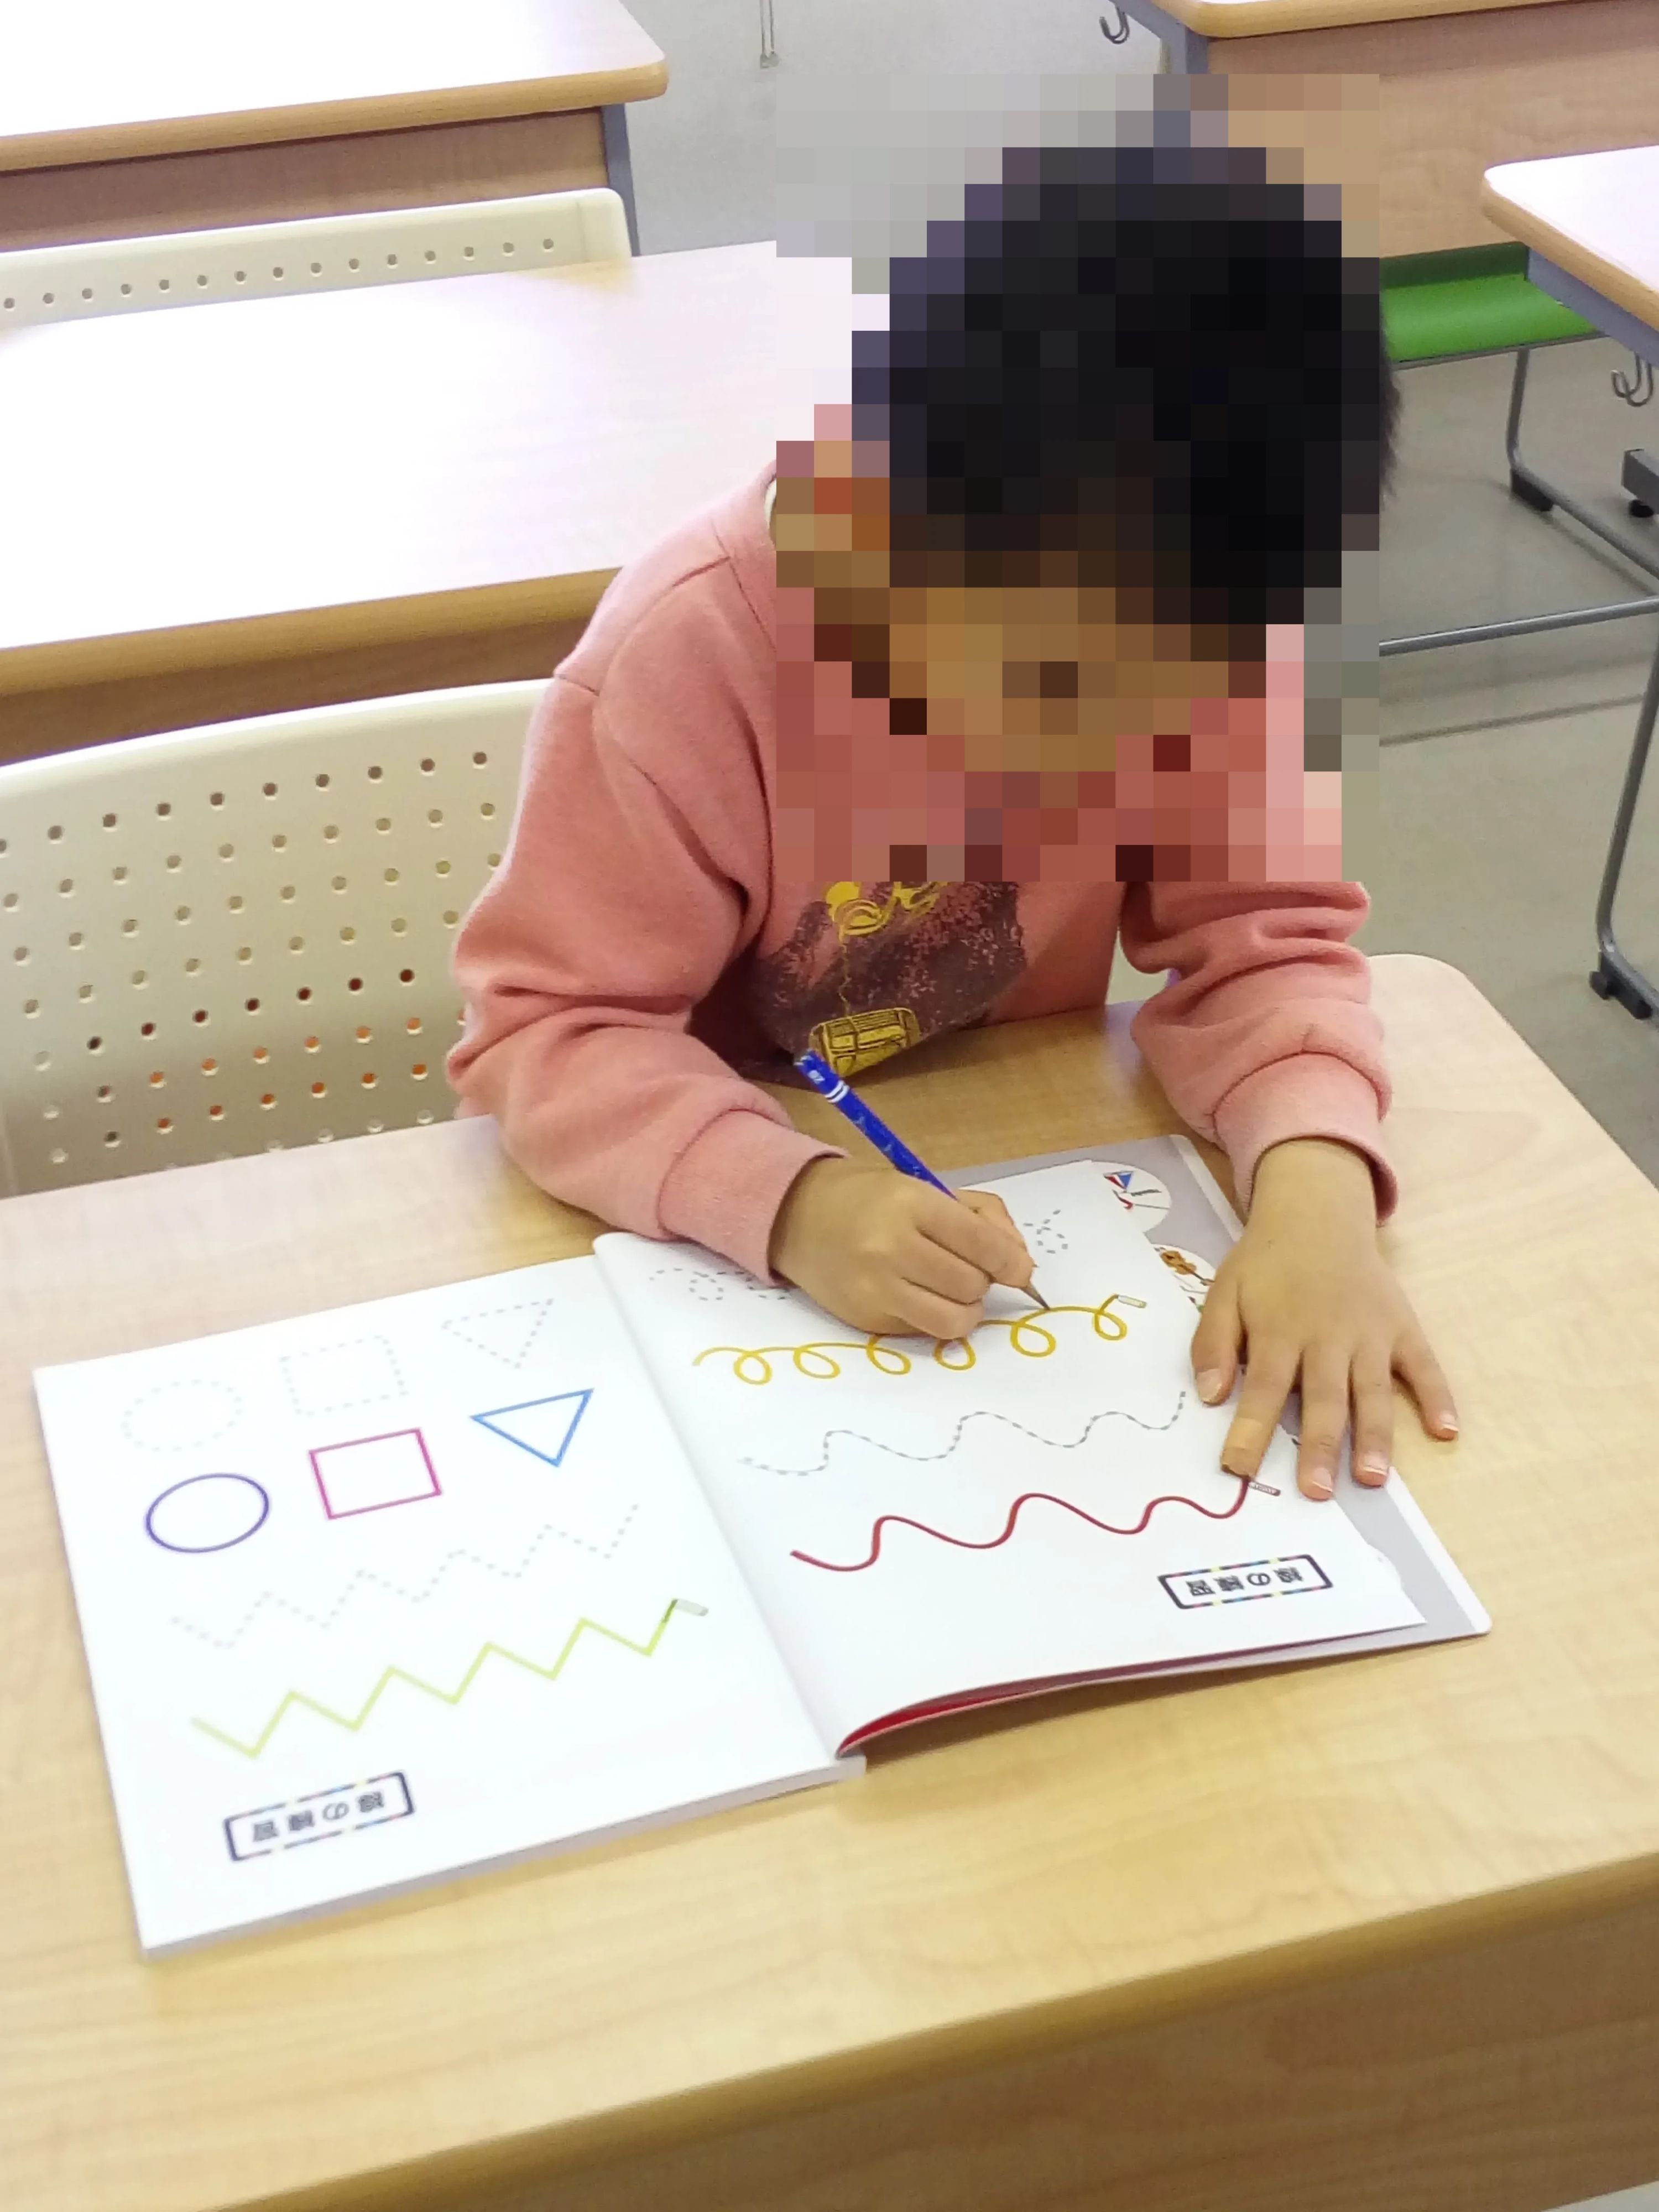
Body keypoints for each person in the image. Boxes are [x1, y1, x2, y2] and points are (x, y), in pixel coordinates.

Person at [449, 139, 1458, 1501]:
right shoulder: (688, 661)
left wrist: (1318, 1191)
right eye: (1058, 679)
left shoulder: (1200, 609)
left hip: (1020, 1152)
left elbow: (1263, 938)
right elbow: (553, 1031)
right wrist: (792, 1199)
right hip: (718, 1226)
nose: (1117, 731)